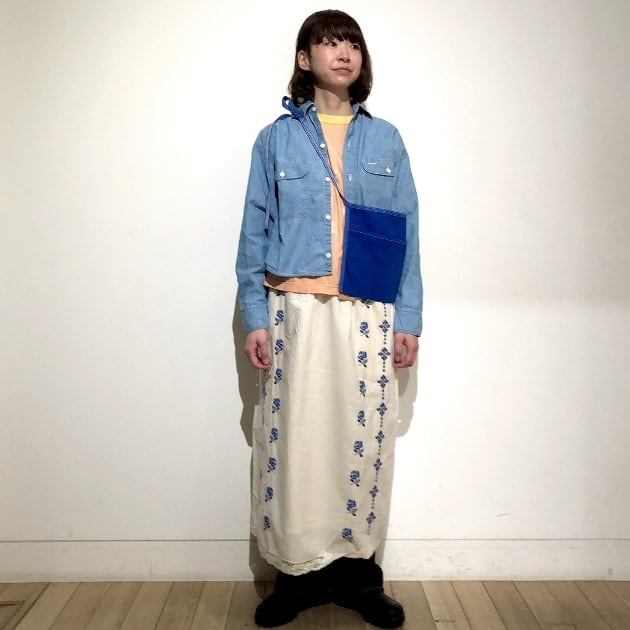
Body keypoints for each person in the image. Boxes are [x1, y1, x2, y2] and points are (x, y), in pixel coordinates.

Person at [235, 9, 422, 628]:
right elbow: (253, 232)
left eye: (352, 44)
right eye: (329, 42)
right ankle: (294, 577)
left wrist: (409, 318)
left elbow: (408, 232)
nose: (343, 53)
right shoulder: (275, 139)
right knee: (293, 443)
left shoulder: (386, 139)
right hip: (296, 306)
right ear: (304, 58)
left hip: (368, 308)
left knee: (362, 441)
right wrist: (255, 315)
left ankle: (360, 577)